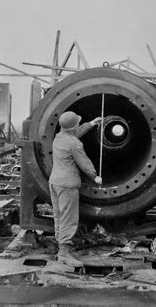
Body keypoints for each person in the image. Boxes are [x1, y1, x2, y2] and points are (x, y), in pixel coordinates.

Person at [49, 111, 102, 267]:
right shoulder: (75, 144)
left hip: (55, 182)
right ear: (73, 127)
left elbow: (74, 133)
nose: (79, 124)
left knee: (59, 216)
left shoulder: (59, 138)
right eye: (78, 123)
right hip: (67, 184)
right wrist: (95, 177)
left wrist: (91, 123)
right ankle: (64, 253)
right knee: (68, 219)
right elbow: (85, 164)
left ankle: (61, 246)